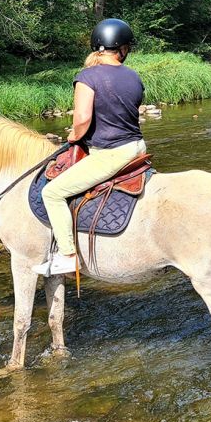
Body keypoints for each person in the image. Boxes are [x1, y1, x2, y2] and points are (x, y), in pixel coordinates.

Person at [33, 19, 146, 276]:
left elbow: (83, 119)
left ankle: (67, 255)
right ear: (121, 48)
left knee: (52, 193)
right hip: (137, 147)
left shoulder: (87, 77)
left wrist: (75, 135)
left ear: (99, 45)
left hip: (111, 154)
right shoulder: (133, 76)